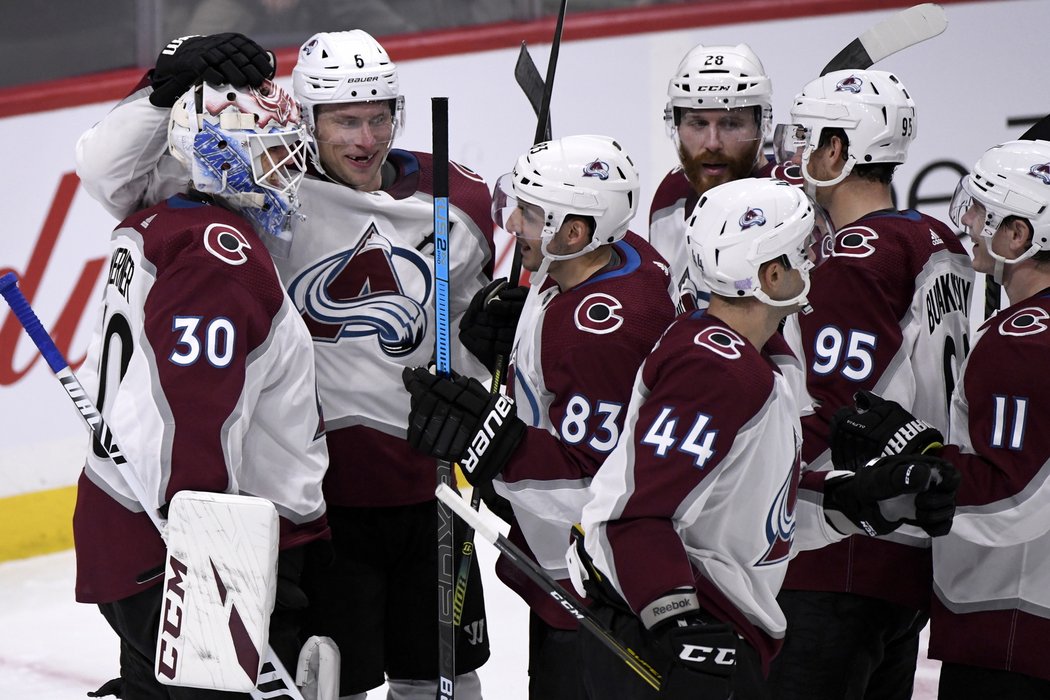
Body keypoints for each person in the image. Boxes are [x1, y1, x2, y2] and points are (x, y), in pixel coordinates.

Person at [75, 30, 495, 700]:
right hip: (318, 507)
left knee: (442, 677)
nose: (366, 138)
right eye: (345, 120)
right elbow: (106, 171)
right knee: (331, 680)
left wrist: (490, 353)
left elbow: (482, 332)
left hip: (425, 489)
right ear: (309, 119)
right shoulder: (254, 203)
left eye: (380, 115)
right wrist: (165, 85)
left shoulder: (455, 199)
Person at [574, 176, 959, 700]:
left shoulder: (758, 360)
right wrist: (678, 625)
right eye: (805, 251)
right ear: (771, 274)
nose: (817, 262)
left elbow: (752, 511)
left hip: (714, 634)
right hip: (671, 644)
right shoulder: (715, 368)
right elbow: (636, 515)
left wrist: (853, 501)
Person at [72, 78, 330, 698]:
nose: (289, 165)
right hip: (194, 552)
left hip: (146, 530)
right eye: (271, 149)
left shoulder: (167, 220)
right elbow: (192, 421)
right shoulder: (219, 258)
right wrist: (212, 580)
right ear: (221, 153)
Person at [402, 134, 678, 698]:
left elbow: (591, 483)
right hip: (581, 577)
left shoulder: (598, 332)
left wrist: (488, 444)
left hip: (594, 591)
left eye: (530, 213)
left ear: (574, 232)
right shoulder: (621, 258)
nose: (513, 225)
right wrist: (514, 330)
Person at [763, 69, 975, 700]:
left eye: (807, 140)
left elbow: (839, 412)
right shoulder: (939, 239)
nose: (796, 155)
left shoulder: (854, 258)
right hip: (906, 552)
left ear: (836, 150)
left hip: (840, 553)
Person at [929, 139, 1050, 698]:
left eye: (981, 209)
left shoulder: (1020, 340)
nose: (969, 221)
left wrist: (913, 463)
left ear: (1018, 235)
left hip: (1010, 627)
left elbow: (1010, 495)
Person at [649, 43, 800, 311]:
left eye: (730, 124)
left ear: (761, 123)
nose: (712, 143)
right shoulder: (672, 195)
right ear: (676, 124)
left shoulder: (794, 203)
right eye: (698, 123)